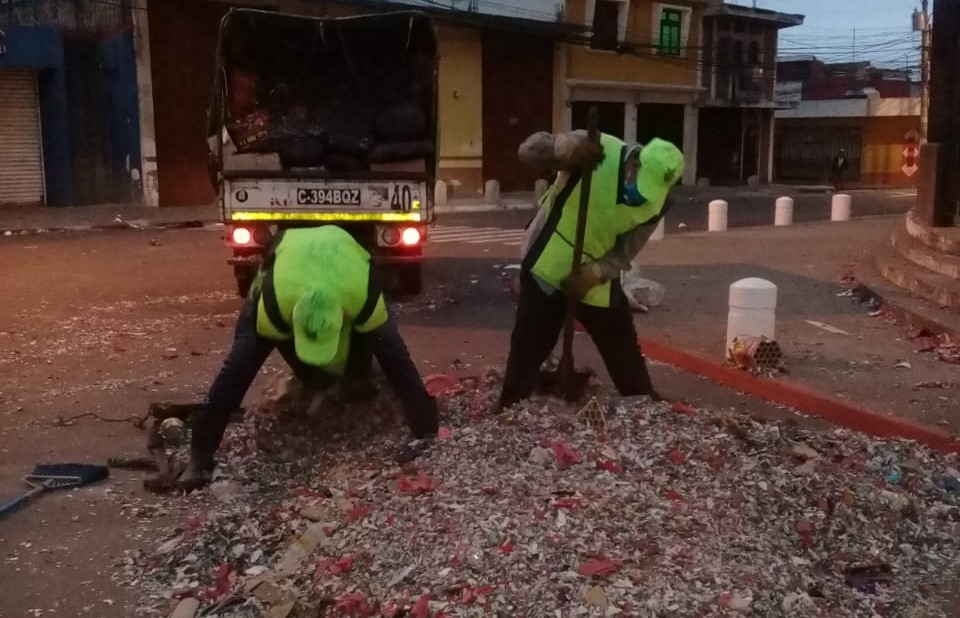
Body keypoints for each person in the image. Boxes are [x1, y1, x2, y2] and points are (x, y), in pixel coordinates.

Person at [179, 225, 439, 490]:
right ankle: (200, 456)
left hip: (345, 257)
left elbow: (399, 363)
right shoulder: (271, 306)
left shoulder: (364, 297)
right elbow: (235, 376)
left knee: (389, 351)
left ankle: (418, 423)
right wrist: (201, 456)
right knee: (239, 365)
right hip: (285, 264)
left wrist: (425, 432)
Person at [498, 130, 685, 411]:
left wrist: (595, 273)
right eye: (640, 182)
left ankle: (644, 402)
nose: (641, 194)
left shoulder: (659, 202)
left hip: (594, 273)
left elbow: (625, 252)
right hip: (547, 258)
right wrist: (563, 149)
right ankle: (511, 406)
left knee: (620, 341)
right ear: (635, 162)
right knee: (531, 340)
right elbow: (527, 151)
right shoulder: (599, 149)